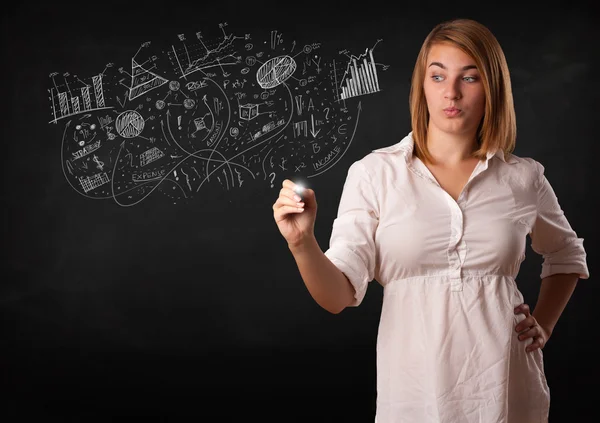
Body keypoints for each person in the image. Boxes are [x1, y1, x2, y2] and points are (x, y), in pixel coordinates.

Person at [272, 18, 589, 423]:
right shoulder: (375, 173)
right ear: (422, 85)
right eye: (437, 76)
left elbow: (565, 253)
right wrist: (302, 244)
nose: (451, 92)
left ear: (492, 86)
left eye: (469, 78)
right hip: (413, 395)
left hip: (506, 393)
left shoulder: (523, 177)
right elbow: (337, 296)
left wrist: (542, 326)